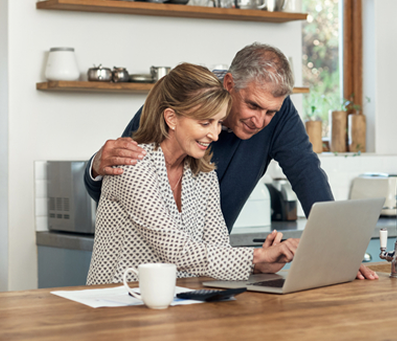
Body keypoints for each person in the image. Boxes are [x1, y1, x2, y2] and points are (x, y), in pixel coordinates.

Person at [85, 43, 377, 281]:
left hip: (185, 288)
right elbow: (121, 171)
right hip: (121, 291)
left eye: (270, 112)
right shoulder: (177, 105)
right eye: (252, 105)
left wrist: (339, 252)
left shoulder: (204, 170)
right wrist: (97, 166)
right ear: (229, 84)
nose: (260, 121)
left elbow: (306, 172)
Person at [86, 63, 299, 285]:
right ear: (171, 118)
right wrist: (256, 256)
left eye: (218, 123)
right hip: (116, 303)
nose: (215, 135)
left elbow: (217, 253)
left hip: (176, 304)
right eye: (205, 122)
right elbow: (175, 249)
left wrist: (259, 266)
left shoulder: (203, 173)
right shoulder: (133, 165)